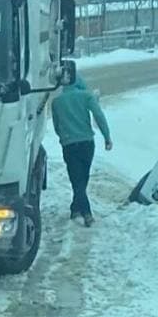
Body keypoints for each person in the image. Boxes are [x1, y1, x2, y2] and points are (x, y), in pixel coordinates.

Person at [51, 75, 112, 226]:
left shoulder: (56, 102)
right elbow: (98, 115)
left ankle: (76, 209)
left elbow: (56, 125)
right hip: (87, 143)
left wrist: (64, 137)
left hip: (68, 144)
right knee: (82, 178)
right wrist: (107, 136)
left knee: (77, 179)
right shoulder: (86, 96)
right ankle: (86, 213)